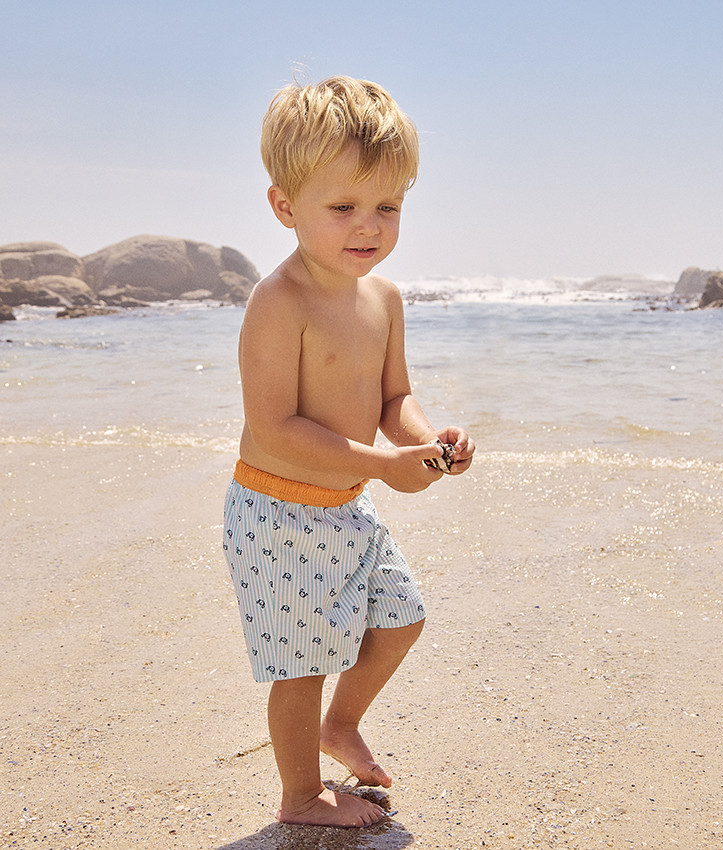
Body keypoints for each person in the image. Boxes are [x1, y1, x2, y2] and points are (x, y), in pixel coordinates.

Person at [222, 76, 474, 829]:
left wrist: (426, 442)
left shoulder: (385, 298)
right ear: (285, 206)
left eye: (387, 207)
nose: (369, 226)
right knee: (301, 663)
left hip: (346, 506)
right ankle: (300, 796)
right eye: (344, 208)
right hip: (278, 513)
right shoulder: (281, 301)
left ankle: (342, 724)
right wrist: (379, 466)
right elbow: (274, 427)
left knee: (401, 618)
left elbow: (396, 399)